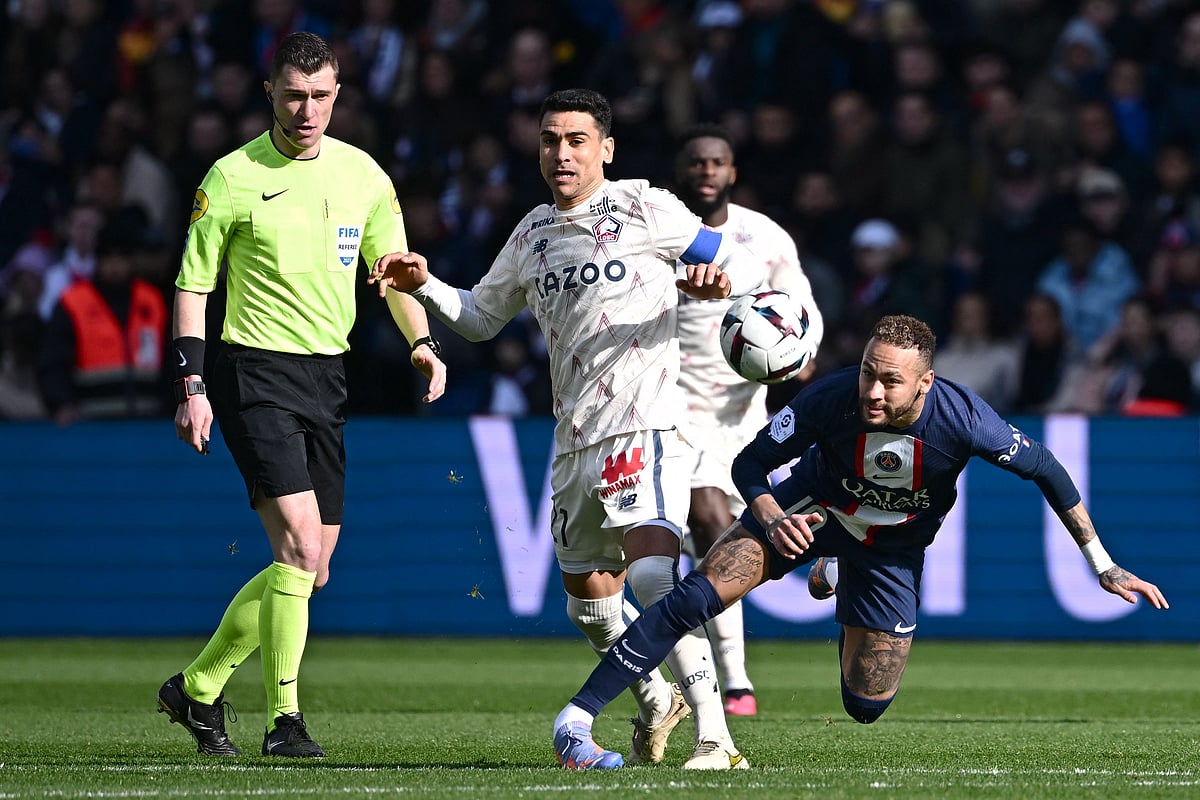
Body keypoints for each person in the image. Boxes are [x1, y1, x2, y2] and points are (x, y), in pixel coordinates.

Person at [551, 314, 1169, 768]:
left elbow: (1048, 471)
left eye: (890, 383)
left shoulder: (966, 420)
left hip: (892, 549)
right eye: (869, 374)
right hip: (811, 509)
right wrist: (770, 517)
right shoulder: (831, 398)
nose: (872, 392)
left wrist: (1103, 564)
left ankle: (844, 568)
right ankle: (577, 722)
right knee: (693, 597)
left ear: (925, 384)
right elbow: (748, 466)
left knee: (865, 705)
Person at [369, 88, 766, 771]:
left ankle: (716, 737)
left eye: (577, 140)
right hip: (575, 436)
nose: (562, 153)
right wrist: (424, 284)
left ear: (605, 148)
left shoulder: (647, 205)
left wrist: (711, 284)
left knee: (650, 575)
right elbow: (479, 317)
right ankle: (655, 699)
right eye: (551, 139)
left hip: (648, 423)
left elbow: (724, 262)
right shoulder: (531, 233)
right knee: (589, 603)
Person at [157, 31, 447, 760]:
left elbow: (395, 277)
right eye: (294, 94)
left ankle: (195, 689)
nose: (307, 108)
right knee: (296, 545)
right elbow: (194, 284)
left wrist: (422, 343)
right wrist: (192, 383)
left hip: (328, 374)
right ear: (270, 94)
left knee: (312, 568)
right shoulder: (230, 177)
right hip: (253, 371)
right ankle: (284, 721)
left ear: (338, 94)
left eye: (320, 96)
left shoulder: (365, 178)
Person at [671, 123, 824, 716]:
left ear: (732, 172)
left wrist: (800, 355)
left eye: (717, 162)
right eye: (696, 163)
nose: (707, 171)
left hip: (740, 410)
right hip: (670, 404)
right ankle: (731, 680)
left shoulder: (763, 236)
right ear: (681, 172)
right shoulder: (658, 233)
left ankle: (715, 672)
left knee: (722, 538)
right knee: (708, 520)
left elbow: (801, 306)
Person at [37, 211, 170, 424]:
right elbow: (53, 364)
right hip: (91, 424)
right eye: (108, 257)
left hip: (150, 422)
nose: (115, 265)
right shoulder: (73, 303)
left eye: (122, 258)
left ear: (131, 260)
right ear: (98, 260)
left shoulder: (153, 301)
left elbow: (171, 359)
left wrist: (172, 405)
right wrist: (61, 404)